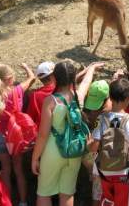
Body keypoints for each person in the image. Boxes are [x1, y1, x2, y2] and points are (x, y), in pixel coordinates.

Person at [31, 61, 104, 206]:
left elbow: (43, 135)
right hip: (74, 151)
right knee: (67, 193)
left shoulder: (50, 101)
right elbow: (86, 82)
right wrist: (92, 68)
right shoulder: (77, 97)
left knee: (44, 193)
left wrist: (35, 158)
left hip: (53, 151)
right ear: (73, 77)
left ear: (54, 78)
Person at [0, 63, 35, 206]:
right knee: (19, 169)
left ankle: (7, 202)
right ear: (10, 78)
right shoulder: (17, 91)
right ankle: (23, 202)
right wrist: (25, 67)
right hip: (15, 137)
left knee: (5, 170)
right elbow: (32, 77)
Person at [90, 78, 129, 206]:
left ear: (110, 98)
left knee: (106, 200)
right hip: (123, 172)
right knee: (122, 202)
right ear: (128, 99)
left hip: (103, 170)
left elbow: (94, 146)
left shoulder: (100, 119)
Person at [82, 80, 111, 206]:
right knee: (101, 193)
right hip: (105, 159)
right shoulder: (110, 112)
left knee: (97, 192)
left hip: (92, 158)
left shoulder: (86, 112)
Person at [27, 61, 56, 127]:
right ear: (52, 76)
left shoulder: (35, 95)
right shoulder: (60, 90)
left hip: (41, 131)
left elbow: (30, 117)